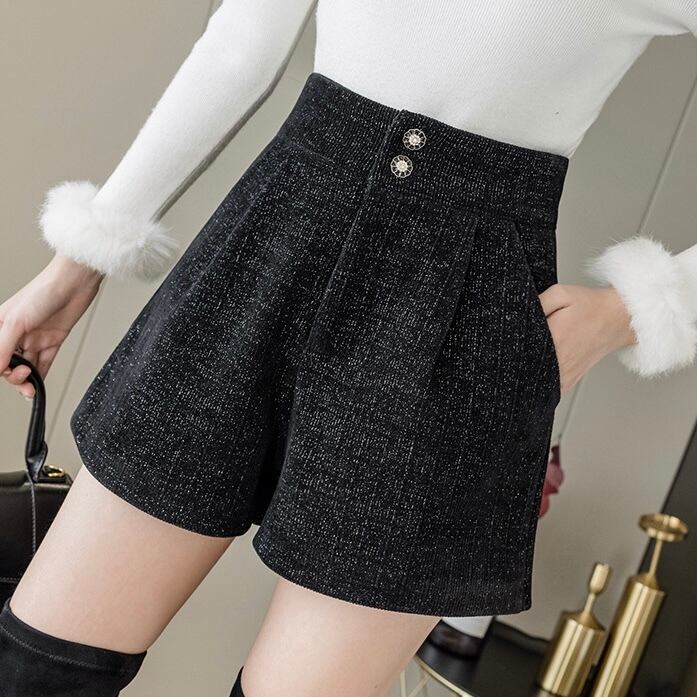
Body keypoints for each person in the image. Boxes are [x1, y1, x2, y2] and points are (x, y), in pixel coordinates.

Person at [1, 2, 696, 696]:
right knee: (42, 669)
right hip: (263, 256)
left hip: (460, 323)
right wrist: (75, 264)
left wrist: (627, 311)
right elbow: (237, 48)